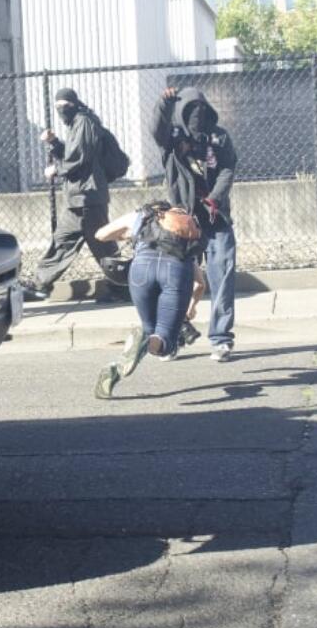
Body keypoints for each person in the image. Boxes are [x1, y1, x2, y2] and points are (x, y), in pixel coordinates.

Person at [153, 86, 238, 362]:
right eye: (190, 111)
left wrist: (215, 198)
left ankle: (221, 339)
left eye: (201, 111)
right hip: (182, 220)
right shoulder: (172, 137)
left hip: (216, 217)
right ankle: (173, 338)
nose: (196, 117)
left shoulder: (218, 136)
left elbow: (227, 167)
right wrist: (164, 104)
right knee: (177, 281)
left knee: (222, 273)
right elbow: (157, 129)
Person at [92, 202, 204, 398]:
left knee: (148, 328)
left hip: (140, 270)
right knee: (164, 342)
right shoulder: (183, 229)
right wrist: (192, 307)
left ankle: (117, 368)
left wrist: (128, 234)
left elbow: (100, 235)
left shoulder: (140, 218)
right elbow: (200, 284)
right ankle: (143, 345)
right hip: (175, 273)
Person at [21, 88, 123, 302]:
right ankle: (41, 285)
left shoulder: (84, 122)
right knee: (70, 242)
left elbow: (80, 157)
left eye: (64, 105)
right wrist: (55, 143)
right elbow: (73, 153)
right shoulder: (78, 123)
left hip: (87, 196)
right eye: (57, 106)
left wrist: (57, 170)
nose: (60, 110)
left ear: (74, 104)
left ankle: (124, 286)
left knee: (97, 243)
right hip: (82, 197)